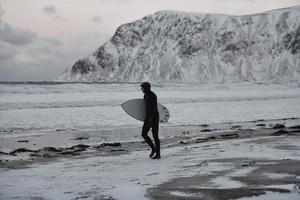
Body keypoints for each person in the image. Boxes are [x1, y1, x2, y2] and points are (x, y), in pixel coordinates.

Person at [140, 82, 161, 159]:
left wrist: (150, 119)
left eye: (142, 87)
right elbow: (146, 109)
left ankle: (158, 154)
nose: (141, 89)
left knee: (155, 136)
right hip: (148, 117)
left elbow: (153, 109)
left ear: (146, 88)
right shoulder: (145, 96)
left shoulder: (152, 96)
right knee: (144, 134)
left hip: (154, 118)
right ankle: (153, 149)